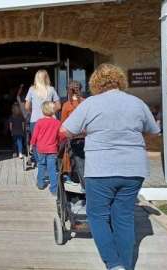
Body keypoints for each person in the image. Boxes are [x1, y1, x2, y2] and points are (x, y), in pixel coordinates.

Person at [60, 64, 160, 270]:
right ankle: (126, 266)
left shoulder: (90, 104)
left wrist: (87, 132)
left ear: (95, 83)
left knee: (97, 216)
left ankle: (114, 265)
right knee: (123, 217)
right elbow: (154, 131)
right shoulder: (137, 103)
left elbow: (65, 130)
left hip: (101, 170)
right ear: (120, 80)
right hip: (133, 169)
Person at [25, 70, 61, 164]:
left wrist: (33, 112)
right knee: (52, 141)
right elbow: (58, 106)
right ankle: (51, 163)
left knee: (36, 142)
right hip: (51, 120)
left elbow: (27, 106)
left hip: (35, 120)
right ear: (47, 78)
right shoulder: (51, 89)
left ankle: (41, 164)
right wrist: (51, 112)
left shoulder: (32, 89)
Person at [30, 101, 65, 196]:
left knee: (41, 165)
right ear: (53, 111)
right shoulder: (57, 123)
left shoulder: (39, 122)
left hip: (40, 148)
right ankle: (54, 189)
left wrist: (32, 145)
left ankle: (40, 184)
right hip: (52, 149)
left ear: (43, 111)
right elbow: (61, 136)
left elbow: (34, 136)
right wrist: (60, 142)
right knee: (52, 168)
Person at [60, 81, 86, 187]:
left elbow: (63, 124)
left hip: (73, 137)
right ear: (80, 89)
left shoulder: (66, 105)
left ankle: (79, 183)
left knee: (75, 162)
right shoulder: (86, 102)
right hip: (87, 137)